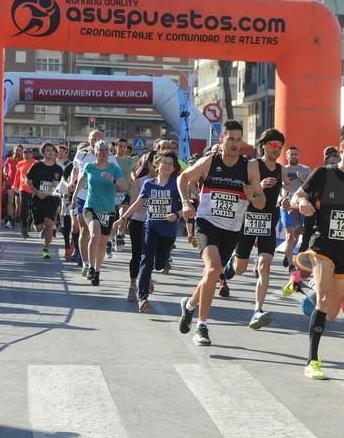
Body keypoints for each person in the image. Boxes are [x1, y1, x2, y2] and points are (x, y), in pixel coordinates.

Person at [291, 130, 344, 379]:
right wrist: (303, 203)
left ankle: (307, 290)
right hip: (323, 246)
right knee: (323, 299)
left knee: (331, 313)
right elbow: (297, 196)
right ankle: (312, 361)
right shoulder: (323, 174)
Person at [176, 120, 265, 346]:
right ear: (222, 139)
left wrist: (251, 194)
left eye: (238, 139)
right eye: (230, 139)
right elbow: (183, 178)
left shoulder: (250, 167)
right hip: (207, 224)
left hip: (232, 230)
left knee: (212, 275)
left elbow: (261, 202)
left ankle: (189, 305)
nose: (235, 144)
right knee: (214, 268)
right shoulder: (210, 161)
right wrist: (186, 202)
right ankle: (202, 326)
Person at [223, 128, 292, 328]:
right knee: (240, 269)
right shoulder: (252, 165)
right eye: (273, 145)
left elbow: (286, 188)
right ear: (264, 145)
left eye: (280, 147)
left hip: (269, 220)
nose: (277, 150)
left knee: (264, 265)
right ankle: (231, 265)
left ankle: (257, 309)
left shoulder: (281, 169)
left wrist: (287, 199)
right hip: (248, 218)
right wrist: (259, 185)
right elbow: (241, 188)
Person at [114, 150, 182, 312]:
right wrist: (123, 218)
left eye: (170, 164)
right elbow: (138, 203)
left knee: (158, 264)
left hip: (169, 231)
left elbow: (186, 206)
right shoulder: (149, 184)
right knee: (146, 259)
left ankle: (162, 262)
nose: (166, 166)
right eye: (163, 163)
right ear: (157, 165)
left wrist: (176, 214)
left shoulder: (176, 184)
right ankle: (143, 297)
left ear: (173, 168)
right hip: (151, 227)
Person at [70, 140, 127, 286]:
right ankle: (90, 266)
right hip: (91, 207)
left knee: (102, 243)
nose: (103, 153)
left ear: (109, 152)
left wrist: (113, 180)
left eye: (105, 151)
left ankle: (97, 271)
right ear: (95, 152)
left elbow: (125, 186)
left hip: (107, 209)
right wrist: (75, 197)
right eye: (100, 150)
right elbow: (81, 181)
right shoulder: (89, 167)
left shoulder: (114, 168)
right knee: (94, 234)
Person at [124, 151, 157, 302]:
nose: (158, 166)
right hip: (138, 221)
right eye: (155, 162)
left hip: (156, 223)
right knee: (137, 255)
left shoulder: (166, 183)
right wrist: (144, 203)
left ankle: (147, 277)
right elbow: (133, 204)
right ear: (149, 165)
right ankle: (133, 285)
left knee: (150, 255)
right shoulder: (140, 181)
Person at [25, 142, 63, 259]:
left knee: (49, 223)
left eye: (52, 150)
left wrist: (57, 186)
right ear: (43, 152)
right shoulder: (36, 166)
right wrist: (36, 191)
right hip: (38, 199)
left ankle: (46, 248)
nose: (50, 152)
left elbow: (63, 185)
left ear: (55, 153)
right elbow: (27, 180)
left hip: (52, 200)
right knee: (39, 227)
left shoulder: (58, 169)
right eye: (47, 150)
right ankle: (36, 224)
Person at [280, 145, 311, 270]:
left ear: (298, 155)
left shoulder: (306, 169)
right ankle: (291, 265)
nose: (293, 156)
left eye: (295, 154)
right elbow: (277, 188)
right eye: (291, 154)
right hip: (287, 206)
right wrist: (281, 200)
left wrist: (303, 179)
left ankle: (288, 253)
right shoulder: (282, 170)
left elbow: (313, 188)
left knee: (297, 234)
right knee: (290, 236)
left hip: (301, 205)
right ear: (286, 156)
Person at [113, 138, 136, 252]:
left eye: (124, 146)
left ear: (127, 148)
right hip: (111, 192)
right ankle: (109, 238)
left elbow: (135, 173)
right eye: (120, 146)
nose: (122, 148)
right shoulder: (111, 160)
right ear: (115, 147)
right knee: (112, 217)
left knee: (123, 214)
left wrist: (135, 181)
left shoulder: (131, 161)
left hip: (125, 192)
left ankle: (119, 235)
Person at [14, 147, 37, 238]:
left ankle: (31, 223)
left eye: (29, 153)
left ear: (32, 154)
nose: (26, 155)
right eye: (25, 153)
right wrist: (15, 185)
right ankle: (24, 227)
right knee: (23, 208)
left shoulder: (36, 163)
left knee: (33, 208)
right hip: (23, 188)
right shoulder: (20, 163)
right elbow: (17, 175)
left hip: (33, 189)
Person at [3, 145, 24, 228]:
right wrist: (5, 174)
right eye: (17, 150)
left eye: (20, 150)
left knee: (19, 203)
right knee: (10, 201)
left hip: (20, 184)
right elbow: (5, 169)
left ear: (22, 151)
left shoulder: (24, 160)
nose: (18, 152)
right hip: (10, 183)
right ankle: (10, 219)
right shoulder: (9, 159)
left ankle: (18, 218)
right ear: (14, 151)